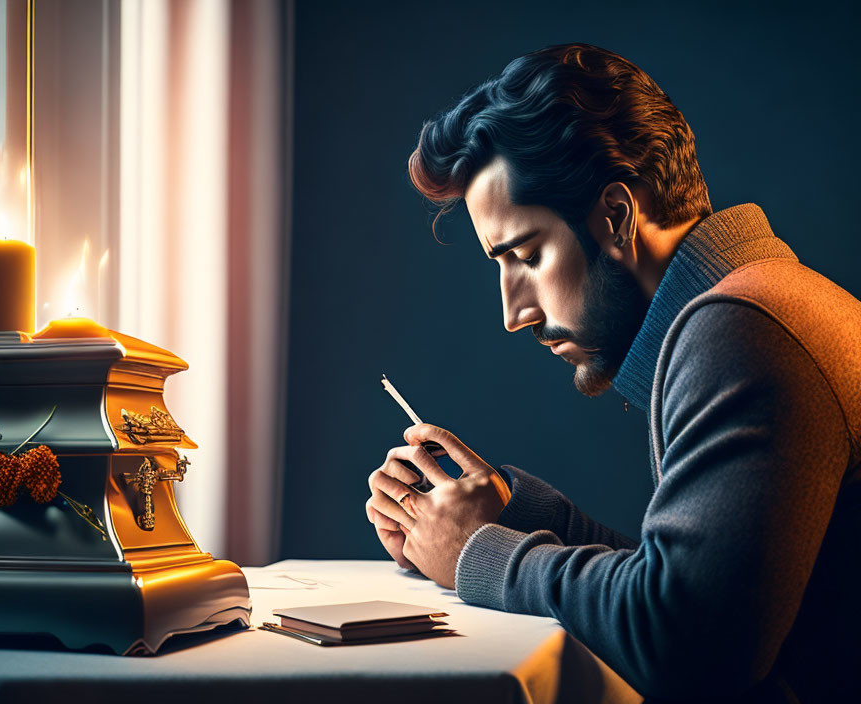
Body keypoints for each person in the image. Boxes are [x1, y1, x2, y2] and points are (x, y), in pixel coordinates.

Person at [364, 44, 860, 703]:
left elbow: (688, 644)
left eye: (526, 255)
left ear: (619, 216)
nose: (513, 312)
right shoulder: (766, 300)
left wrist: (476, 552)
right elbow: (697, 587)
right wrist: (517, 517)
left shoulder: (745, 328)